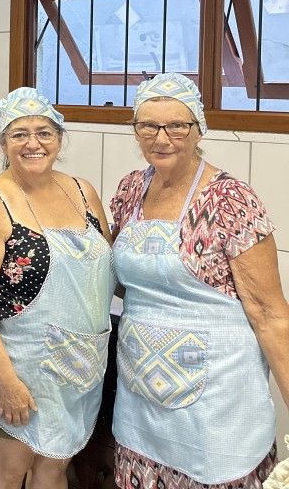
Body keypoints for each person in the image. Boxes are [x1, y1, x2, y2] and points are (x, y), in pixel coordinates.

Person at [109, 73, 289, 488]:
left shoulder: (230, 199)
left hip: (217, 398)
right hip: (142, 389)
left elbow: (269, 313)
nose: (162, 137)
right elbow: (121, 278)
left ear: (198, 129)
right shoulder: (131, 189)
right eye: (148, 125)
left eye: (177, 125)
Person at [0, 87, 113, 487]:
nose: (33, 143)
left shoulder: (82, 190)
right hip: (18, 358)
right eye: (19, 134)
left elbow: (109, 267)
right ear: (2, 143)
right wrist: (7, 380)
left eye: (44, 132)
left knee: (54, 464)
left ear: (59, 139)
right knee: (10, 465)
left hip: (81, 358)